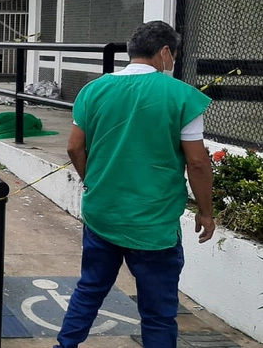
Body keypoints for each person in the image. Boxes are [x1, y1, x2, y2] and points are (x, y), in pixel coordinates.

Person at [55, 21, 216, 348]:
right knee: (158, 312)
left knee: (89, 290)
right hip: (153, 225)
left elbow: (74, 147)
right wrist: (206, 212)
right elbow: (198, 163)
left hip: (103, 215)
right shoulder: (183, 97)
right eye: (173, 56)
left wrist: (93, 183)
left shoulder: (93, 90)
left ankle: (64, 346)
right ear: (165, 52)